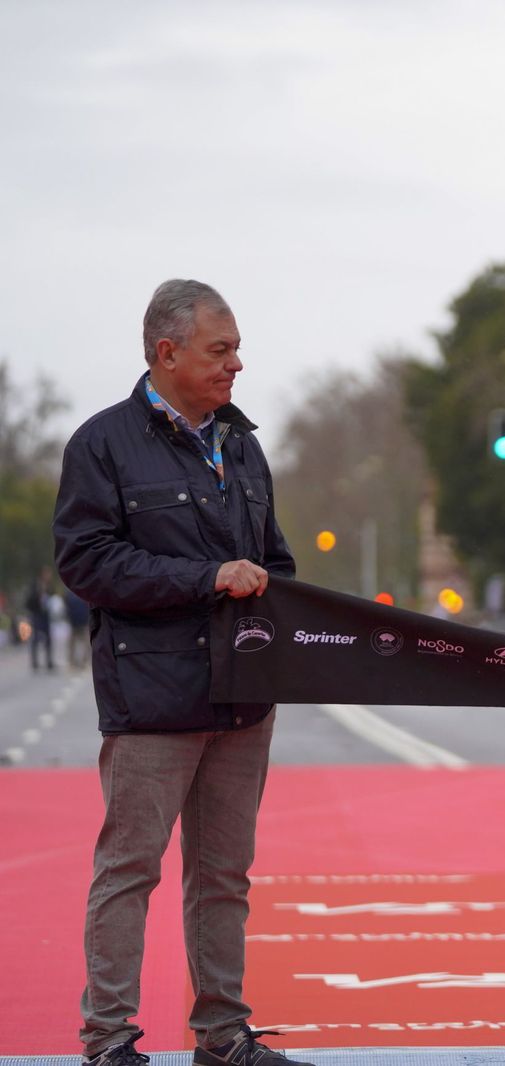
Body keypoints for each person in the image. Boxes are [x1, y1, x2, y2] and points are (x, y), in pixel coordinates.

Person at [53, 280, 306, 1066]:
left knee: (225, 875)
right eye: (220, 350)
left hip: (243, 699)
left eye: (236, 348)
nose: (238, 364)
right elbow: (86, 562)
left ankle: (223, 1035)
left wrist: (284, 601)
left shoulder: (243, 443)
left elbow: (272, 560)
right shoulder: (102, 445)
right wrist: (206, 578)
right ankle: (109, 1041)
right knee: (130, 871)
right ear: (166, 353)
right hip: (152, 698)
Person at [25, 567, 57, 671]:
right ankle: (35, 662)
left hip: (45, 614)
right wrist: (39, 595)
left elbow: (52, 596)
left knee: (48, 639)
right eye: (47, 574)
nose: (49, 577)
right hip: (36, 614)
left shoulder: (49, 586)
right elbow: (30, 599)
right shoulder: (35, 585)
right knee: (35, 638)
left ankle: (49, 661)